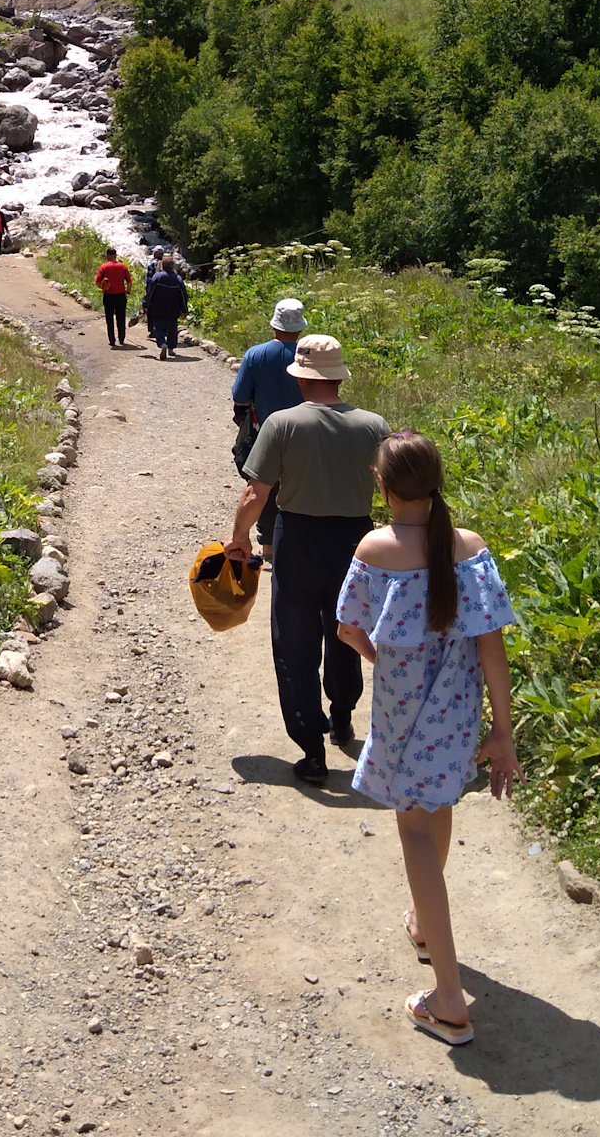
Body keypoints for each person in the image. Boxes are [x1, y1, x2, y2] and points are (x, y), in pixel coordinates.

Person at [335, 432, 521, 1047]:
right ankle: (423, 924)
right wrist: (503, 731)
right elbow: (491, 646)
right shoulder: (470, 549)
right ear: (436, 480)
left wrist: (380, 656)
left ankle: (448, 1001)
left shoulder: (375, 547)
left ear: (380, 484)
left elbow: (348, 628)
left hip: (401, 711)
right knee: (436, 810)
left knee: (412, 828)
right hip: (458, 712)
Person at [227, 334, 390, 784]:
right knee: (347, 629)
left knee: (295, 640)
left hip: (296, 534)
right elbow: (392, 491)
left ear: (299, 377)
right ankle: (342, 715)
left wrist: (239, 539)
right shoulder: (374, 426)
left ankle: (311, 749)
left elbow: (254, 492)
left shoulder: (282, 424)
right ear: (338, 377)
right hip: (357, 541)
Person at [231, 298, 308, 551]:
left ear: (274, 325)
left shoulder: (256, 354)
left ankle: (268, 546)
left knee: (264, 488)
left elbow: (240, 396)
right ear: (300, 327)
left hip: (266, 433)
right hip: (306, 433)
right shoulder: (308, 356)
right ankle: (298, 542)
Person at [144, 257, 188, 360]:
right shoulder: (178, 279)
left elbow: (150, 292)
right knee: (172, 329)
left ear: (162, 265)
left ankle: (162, 344)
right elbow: (183, 296)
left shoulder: (157, 277)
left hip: (157, 308)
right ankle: (171, 349)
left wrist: (145, 304)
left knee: (158, 328)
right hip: (173, 309)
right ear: (173, 266)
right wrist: (184, 310)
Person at [93, 245, 133, 348]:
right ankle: (121, 338)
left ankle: (112, 340)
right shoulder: (123, 266)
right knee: (121, 317)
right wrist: (127, 291)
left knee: (109, 318)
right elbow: (129, 281)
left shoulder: (104, 267)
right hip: (120, 295)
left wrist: (103, 287)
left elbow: (97, 282)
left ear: (107, 256)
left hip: (109, 295)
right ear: (115, 256)